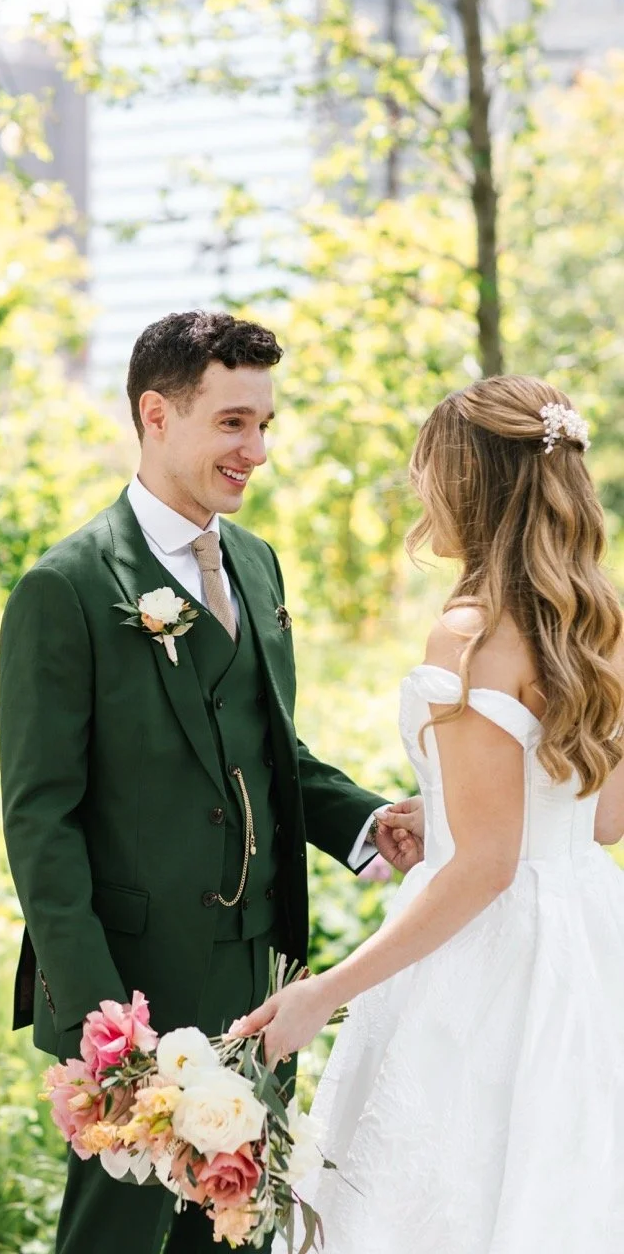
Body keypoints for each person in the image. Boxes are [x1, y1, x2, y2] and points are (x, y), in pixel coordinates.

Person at [0, 309, 424, 1254]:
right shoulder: (64, 588)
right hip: (134, 995)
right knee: (115, 1238)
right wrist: (105, 1018)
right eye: (233, 422)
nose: (257, 449)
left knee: (235, 1231)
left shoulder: (257, 563)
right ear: (157, 414)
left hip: (259, 980)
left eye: (264, 423)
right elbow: (40, 822)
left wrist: (365, 821)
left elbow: (271, 750)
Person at [231, 374, 624, 1253]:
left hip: (486, 959)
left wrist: (321, 993)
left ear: (468, 485)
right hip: (590, 939)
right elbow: (596, 822)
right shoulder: (599, 620)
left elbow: (484, 865)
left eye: (428, 472)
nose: (418, 490)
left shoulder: (471, 630)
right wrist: (447, 807)